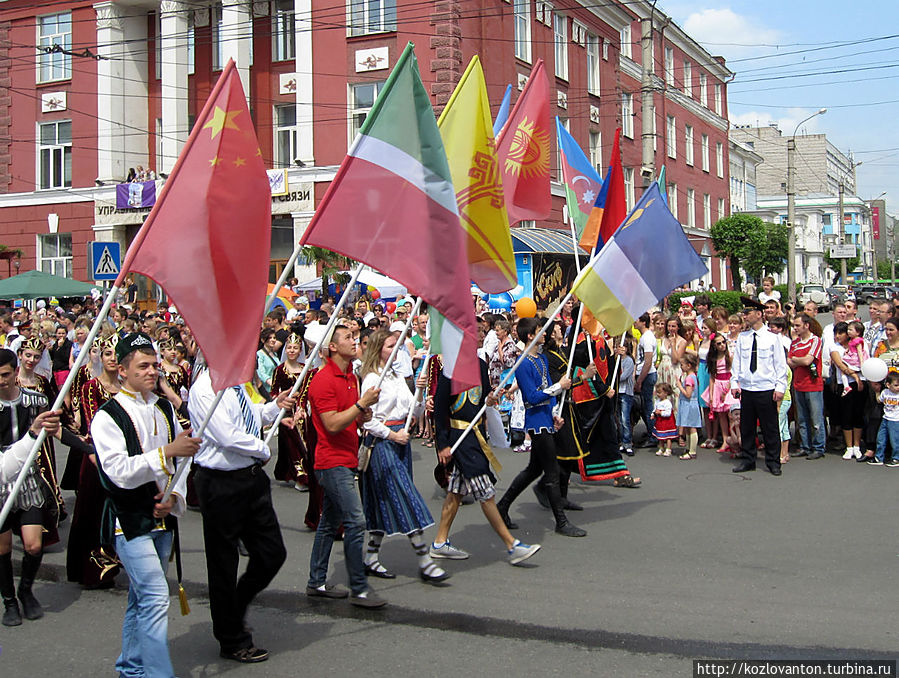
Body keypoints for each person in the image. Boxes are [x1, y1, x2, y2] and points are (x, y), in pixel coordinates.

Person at [90, 333, 198, 676]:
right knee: (153, 594)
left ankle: (131, 666)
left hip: (162, 518)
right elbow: (118, 472)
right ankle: (155, 673)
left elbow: (182, 460)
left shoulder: (164, 406)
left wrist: (174, 496)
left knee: (141, 599)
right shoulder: (108, 415)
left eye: (155, 365)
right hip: (129, 518)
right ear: (123, 370)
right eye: (143, 366)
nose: (152, 372)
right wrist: (165, 454)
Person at [188, 355, 297, 664]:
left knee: (272, 553)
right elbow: (225, 434)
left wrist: (275, 406)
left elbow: (251, 417)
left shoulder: (237, 385)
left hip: (250, 480)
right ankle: (231, 637)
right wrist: (262, 448)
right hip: (220, 483)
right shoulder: (204, 390)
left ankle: (235, 606)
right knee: (223, 563)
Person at [430, 329, 541, 566]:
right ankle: (512, 545)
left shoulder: (480, 365)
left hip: (475, 433)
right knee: (485, 491)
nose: (477, 339)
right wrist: (443, 444)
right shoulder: (449, 371)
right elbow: (439, 411)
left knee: (457, 490)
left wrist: (489, 399)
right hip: (459, 437)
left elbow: (480, 400)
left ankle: (439, 542)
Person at [357, 330, 447, 583]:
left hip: (401, 439)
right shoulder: (372, 379)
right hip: (382, 443)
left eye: (396, 346)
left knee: (384, 498)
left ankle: (371, 556)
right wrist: (392, 435)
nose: (395, 350)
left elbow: (411, 409)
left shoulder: (396, 376)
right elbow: (368, 420)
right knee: (405, 493)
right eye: (389, 346)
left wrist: (420, 397)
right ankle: (425, 560)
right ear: (378, 349)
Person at [306, 325, 386, 608]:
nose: (355, 341)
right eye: (349, 338)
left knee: (328, 524)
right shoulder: (323, 380)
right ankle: (360, 588)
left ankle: (316, 581)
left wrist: (363, 413)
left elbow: (351, 418)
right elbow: (331, 423)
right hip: (332, 462)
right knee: (356, 521)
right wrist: (360, 405)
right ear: (333, 347)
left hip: (347, 458)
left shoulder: (351, 376)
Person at [494, 318, 585, 537]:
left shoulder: (542, 359)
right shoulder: (523, 364)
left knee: (533, 470)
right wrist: (559, 386)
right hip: (536, 424)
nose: (545, 334)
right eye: (540, 331)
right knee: (551, 472)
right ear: (529, 336)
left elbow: (547, 393)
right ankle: (560, 521)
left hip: (547, 420)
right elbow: (531, 397)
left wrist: (554, 413)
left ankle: (502, 506)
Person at [0, 348, 65, 627]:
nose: (0, 380)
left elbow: (57, 429)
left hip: (27, 478)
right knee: (2, 548)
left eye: (4, 374)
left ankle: (26, 591)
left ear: (16, 372)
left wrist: (87, 448)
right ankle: (9, 601)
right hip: (0, 478)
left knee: (34, 545)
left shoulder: (35, 399)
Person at [66, 335, 123, 590]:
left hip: (123, 459)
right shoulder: (91, 387)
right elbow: (92, 424)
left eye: (116, 354)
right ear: (101, 357)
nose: (112, 359)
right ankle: (90, 570)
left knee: (116, 515)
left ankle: (112, 565)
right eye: (107, 354)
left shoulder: (126, 387)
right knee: (93, 514)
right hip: (96, 458)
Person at [730, 297, 788, 476]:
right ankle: (748, 459)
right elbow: (737, 362)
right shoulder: (743, 338)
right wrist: (734, 382)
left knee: (769, 427)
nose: (745, 316)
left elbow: (780, 364)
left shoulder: (773, 338)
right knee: (747, 427)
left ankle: (773, 461)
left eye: (748, 313)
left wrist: (780, 387)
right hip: (747, 388)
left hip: (766, 388)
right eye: (745, 313)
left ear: (759, 314)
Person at [270, 333, 310, 491]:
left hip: (303, 410)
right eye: (289, 348)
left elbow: (308, 391)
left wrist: (303, 406)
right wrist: (280, 403)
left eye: (295, 348)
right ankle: (300, 475)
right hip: (287, 411)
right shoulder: (280, 370)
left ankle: (308, 472)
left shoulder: (305, 370)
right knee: (292, 443)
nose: (292, 351)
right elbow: (274, 392)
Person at [788, 314, 825, 460]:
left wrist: (797, 360)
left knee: (816, 420)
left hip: (813, 385)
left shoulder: (815, 340)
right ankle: (805, 446)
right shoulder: (795, 343)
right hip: (798, 384)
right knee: (802, 419)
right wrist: (799, 361)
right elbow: (789, 361)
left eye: (797, 325)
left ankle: (818, 447)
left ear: (806, 325)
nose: (795, 328)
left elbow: (808, 360)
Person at [634, 313, 658, 447]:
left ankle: (653, 435)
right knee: (644, 406)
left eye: (636, 320)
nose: (634, 323)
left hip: (647, 375)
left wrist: (640, 380)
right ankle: (650, 431)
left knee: (648, 406)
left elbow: (647, 361)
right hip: (644, 374)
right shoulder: (644, 337)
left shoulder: (647, 338)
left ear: (643, 322)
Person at [870, 371, 899, 466]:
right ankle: (879, 458)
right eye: (896, 385)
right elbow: (879, 400)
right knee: (881, 438)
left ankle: (896, 458)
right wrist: (877, 391)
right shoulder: (885, 392)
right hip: (885, 419)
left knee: (895, 440)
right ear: (888, 385)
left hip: (895, 420)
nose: (898, 387)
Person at [675, 354, 701, 459]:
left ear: (689, 365)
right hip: (689, 404)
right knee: (688, 427)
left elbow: (688, 394)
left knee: (692, 427)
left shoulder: (689, 378)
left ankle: (692, 451)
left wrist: (680, 386)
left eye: (682, 364)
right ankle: (689, 448)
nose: (681, 367)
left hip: (689, 404)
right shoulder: (692, 376)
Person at [653, 382, 677, 456]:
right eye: (657, 392)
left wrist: (661, 413)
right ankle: (661, 448)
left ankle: (668, 449)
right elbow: (655, 409)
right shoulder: (657, 401)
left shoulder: (667, 403)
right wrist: (653, 414)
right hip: (660, 421)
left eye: (660, 392)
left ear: (665, 393)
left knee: (668, 436)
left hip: (667, 422)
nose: (658, 394)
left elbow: (668, 413)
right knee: (660, 436)